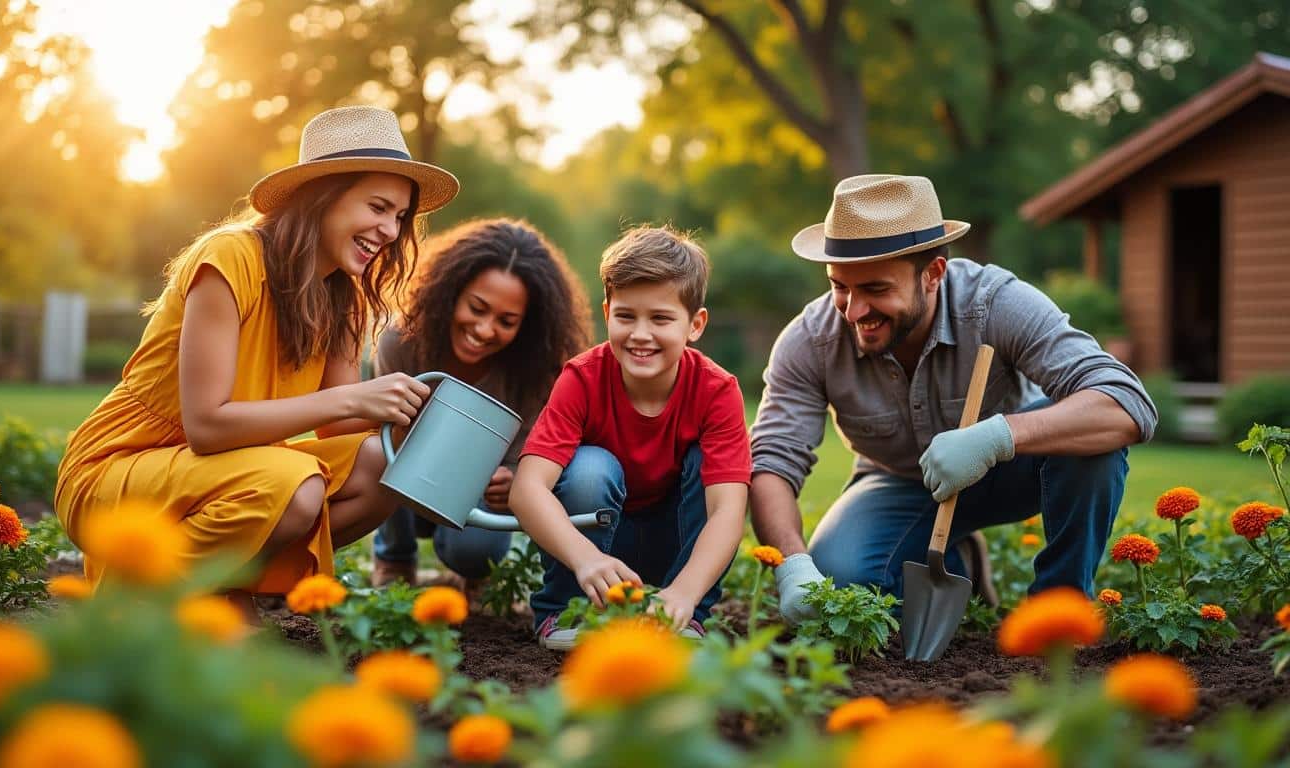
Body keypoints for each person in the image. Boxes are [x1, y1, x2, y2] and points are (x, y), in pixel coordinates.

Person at [54, 106, 459, 618]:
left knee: (384, 466)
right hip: (119, 470)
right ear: (324, 194)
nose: (390, 230)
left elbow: (339, 424)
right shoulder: (230, 258)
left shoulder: (344, 296)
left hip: (227, 473)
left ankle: (219, 589)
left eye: (399, 217)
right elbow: (205, 426)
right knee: (296, 486)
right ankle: (142, 603)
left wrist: (412, 415)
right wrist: (352, 395)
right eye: (378, 207)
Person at [750, 174, 1157, 624]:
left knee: (1093, 447)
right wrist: (792, 565)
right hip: (901, 482)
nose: (853, 311)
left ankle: (1057, 608)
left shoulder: (996, 303)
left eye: (876, 290)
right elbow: (772, 463)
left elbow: (1124, 402)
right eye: (840, 286)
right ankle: (957, 564)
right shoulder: (810, 340)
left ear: (933, 274)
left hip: (1015, 466)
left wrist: (999, 437)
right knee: (840, 579)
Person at [509, 226, 751, 650]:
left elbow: (727, 512)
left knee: (703, 463)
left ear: (695, 324)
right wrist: (586, 559)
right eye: (626, 316)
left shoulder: (717, 390)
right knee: (590, 468)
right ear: (607, 313)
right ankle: (567, 610)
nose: (640, 334)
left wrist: (685, 592)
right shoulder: (582, 379)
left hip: (676, 548)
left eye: (660, 318)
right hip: (595, 546)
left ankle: (684, 615)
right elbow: (527, 489)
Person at [368, 218, 591, 588]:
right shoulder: (400, 341)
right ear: (450, 291)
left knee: (475, 552)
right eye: (477, 307)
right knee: (377, 448)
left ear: (529, 324)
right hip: (408, 480)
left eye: (507, 321)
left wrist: (516, 479)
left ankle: (472, 574)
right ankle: (394, 559)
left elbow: (533, 458)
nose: (485, 330)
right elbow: (388, 433)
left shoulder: (540, 371)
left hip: (476, 494)